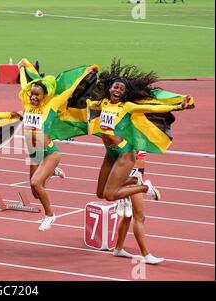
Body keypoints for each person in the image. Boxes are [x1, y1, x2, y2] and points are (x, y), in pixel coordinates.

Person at [86, 59, 193, 204]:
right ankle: (135, 179)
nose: (117, 90)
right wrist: (89, 77)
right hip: (110, 153)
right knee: (100, 193)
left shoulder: (127, 106)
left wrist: (179, 106)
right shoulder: (103, 103)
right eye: (115, 87)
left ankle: (144, 187)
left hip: (124, 153)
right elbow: (89, 102)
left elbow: (153, 108)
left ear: (124, 94)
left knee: (110, 195)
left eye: (121, 89)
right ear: (109, 89)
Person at [17, 59, 98, 231]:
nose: (33, 97)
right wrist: (24, 65)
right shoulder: (26, 103)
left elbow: (70, 89)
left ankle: (50, 215)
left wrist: (87, 71)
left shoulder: (52, 104)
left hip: (50, 153)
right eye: (32, 94)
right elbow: (25, 81)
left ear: (45, 95)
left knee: (36, 183)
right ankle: (51, 172)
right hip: (34, 152)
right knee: (35, 192)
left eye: (37, 95)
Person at [112, 150, 164, 265]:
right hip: (132, 176)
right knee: (139, 217)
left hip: (135, 174)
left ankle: (118, 249)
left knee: (127, 216)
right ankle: (146, 255)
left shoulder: (140, 136)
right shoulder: (133, 135)